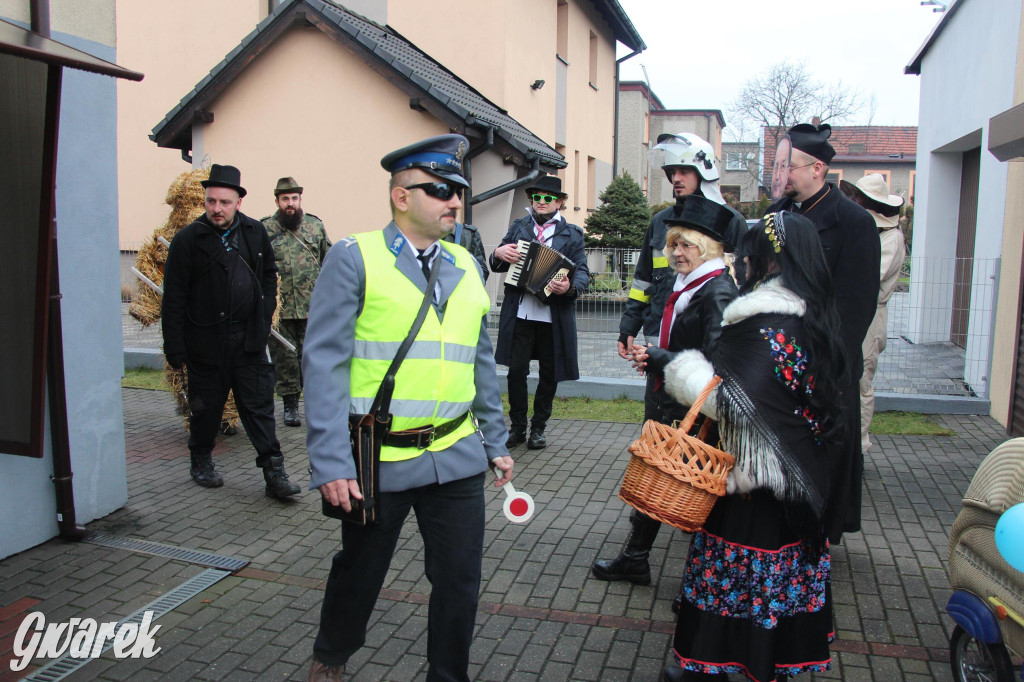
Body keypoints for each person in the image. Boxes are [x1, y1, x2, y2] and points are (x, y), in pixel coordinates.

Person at [302, 134, 514, 682]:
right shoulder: (356, 257)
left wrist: (495, 440)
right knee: (360, 572)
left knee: (460, 580)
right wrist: (330, 461)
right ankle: (331, 657)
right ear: (400, 196)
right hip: (382, 458)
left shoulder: (468, 265)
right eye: (440, 189)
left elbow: (480, 362)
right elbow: (323, 365)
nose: (455, 201)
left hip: (456, 454)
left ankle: (448, 676)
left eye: (459, 191)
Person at [660, 211, 848, 682]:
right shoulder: (816, 313)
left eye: (744, 254)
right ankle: (776, 662)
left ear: (763, 259)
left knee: (734, 572)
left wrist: (681, 372)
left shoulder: (764, 320)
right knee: (782, 576)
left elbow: (734, 403)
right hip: (801, 476)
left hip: (754, 480)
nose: (738, 263)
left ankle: (716, 665)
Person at [593, 133, 746, 585]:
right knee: (658, 460)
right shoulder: (660, 222)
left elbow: (727, 316)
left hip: (692, 373)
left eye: (683, 171)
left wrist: (667, 358)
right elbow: (643, 280)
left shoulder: (729, 225)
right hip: (663, 356)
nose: (675, 179)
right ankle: (637, 555)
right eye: (670, 173)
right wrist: (630, 325)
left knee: (694, 470)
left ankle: (703, 575)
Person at [768, 122, 880, 543]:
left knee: (823, 456)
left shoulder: (853, 222)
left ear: (817, 169)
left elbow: (857, 305)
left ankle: (816, 531)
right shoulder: (779, 216)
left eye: (789, 167)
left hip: (824, 364)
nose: (782, 176)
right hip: (778, 356)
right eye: (778, 167)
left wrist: (823, 362)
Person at [161, 164, 301, 498]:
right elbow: (174, 297)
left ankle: (274, 473)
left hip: (248, 342)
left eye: (224, 202)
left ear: (238, 201)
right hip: (205, 344)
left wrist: (265, 309)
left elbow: (269, 275)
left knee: (259, 410)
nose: (216, 208)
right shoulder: (187, 240)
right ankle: (201, 460)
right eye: (211, 201)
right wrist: (175, 347)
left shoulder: (254, 233)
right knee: (205, 409)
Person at [490, 175, 590, 450]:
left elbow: (582, 271)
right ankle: (518, 427)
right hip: (521, 313)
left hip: (552, 317)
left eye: (548, 198)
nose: (541, 202)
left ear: (559, 202)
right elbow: (497, 262)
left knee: (550, 373)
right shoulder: (519, 227)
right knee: (516, 372)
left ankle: (539, 428)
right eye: (537, 197)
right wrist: (499, 254)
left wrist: (570, 286)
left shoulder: (572, 234)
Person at [840, 174, 907, 451]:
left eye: (858, 198)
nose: (853, 201)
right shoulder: (872, 232)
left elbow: (868, 276)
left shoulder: (890, 238)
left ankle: (860, 447)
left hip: (871, 317)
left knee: (861, 383)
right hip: (856, 313)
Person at [262, 177, 332, 427]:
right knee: (284, 361)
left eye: (294, 198)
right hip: (280, 311)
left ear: (300, 200)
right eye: (285, 199)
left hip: (312, 309)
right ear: (277, 201)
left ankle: (314, 406)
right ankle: (290, 406)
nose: (290, 204)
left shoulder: (315, 227)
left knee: (312, 359)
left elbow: (329, 262)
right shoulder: (265, 230)